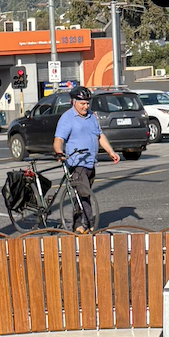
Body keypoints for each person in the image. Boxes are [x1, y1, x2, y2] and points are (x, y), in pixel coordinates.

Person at [53, 85, 119, 231]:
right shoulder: (67, 118)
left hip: (90, 163)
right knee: (84, 194)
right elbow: (59, 139)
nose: (85, 106)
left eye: (87, 103)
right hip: (76, 163)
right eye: (82, 103)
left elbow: (100, 136)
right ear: (73, 102)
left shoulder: (91, 116)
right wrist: (59, 152)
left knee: (81, 195)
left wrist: (110, 152)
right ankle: (89, 225)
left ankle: (78, 225)